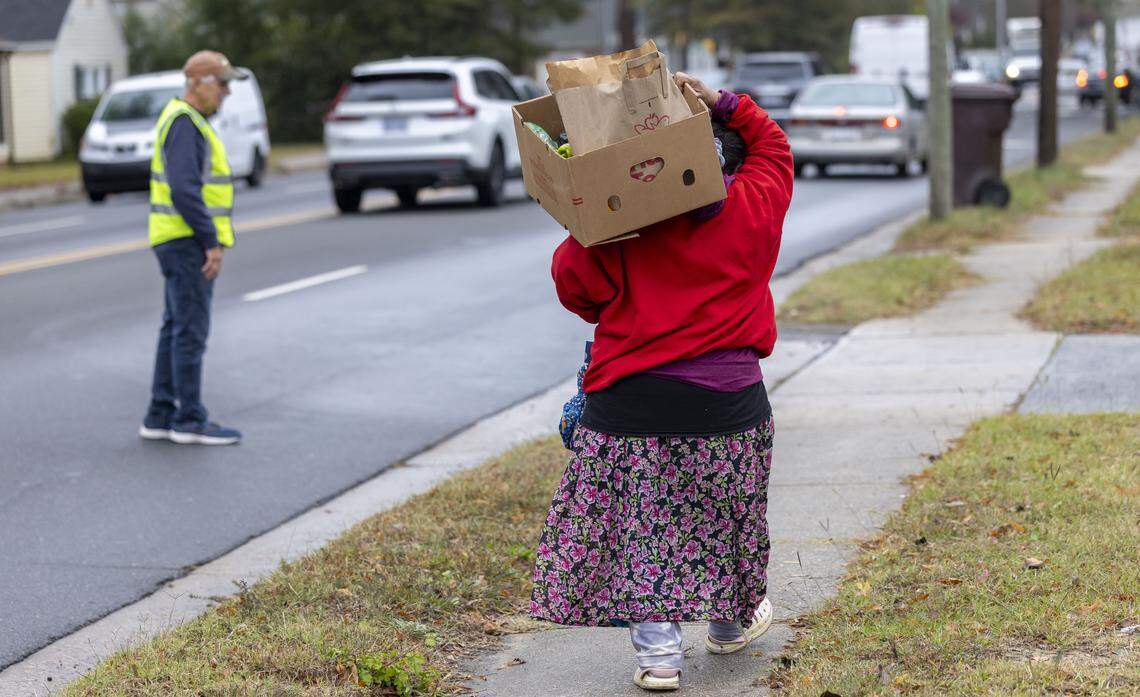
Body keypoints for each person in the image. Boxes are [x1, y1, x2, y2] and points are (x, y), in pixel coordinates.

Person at [529, 72, 793, 691]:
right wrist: (723, 102)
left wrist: (595, 224)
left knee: (642, 525)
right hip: (729, 403)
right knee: (728, 514)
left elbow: (576, 287)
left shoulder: (620, 225)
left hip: (630, 402)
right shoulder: (756, 202)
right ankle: (730, 625)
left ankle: (659, 658)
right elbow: (775, 145)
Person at [139, 50, 246, 446]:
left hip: (174, 238)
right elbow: (185, 190)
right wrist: (210, 242)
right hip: (186, 242)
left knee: (175, 327)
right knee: (190, 331)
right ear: (198, 82)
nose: (227, 92)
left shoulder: (183, 119)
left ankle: (160, 414)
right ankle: (189, 419)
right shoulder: (186, 123)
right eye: (222, 84)